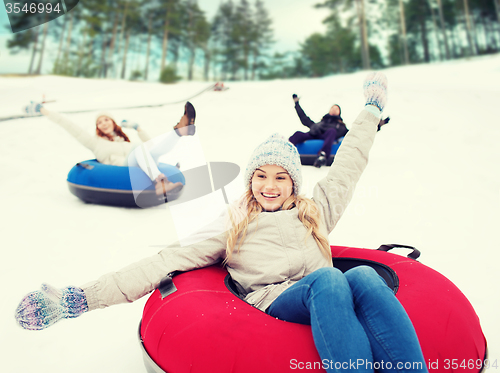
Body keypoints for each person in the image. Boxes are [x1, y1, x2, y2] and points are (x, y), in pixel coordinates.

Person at [15, 73, 427, 373]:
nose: (270, 185)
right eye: (262, 176)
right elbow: (166, 260)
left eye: (281, 177)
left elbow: (350, 162)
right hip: (273, 301)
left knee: (366, 280)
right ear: (251, 180)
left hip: (326, 296)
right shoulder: (234, 222)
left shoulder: (316, 208)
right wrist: (81, 297)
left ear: (293, 183)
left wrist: (372, 108)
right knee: (332, 280)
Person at [22, 101, 196, 197]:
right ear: (97, 127)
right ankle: (160, 182)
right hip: (121, 168)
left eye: (106, 119)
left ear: (113, 122)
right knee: (138, 149)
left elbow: (152, 148)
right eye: (99, 122)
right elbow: (69, 125)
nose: (103, 123)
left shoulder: (124, 140)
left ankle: (180, 131)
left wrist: (138, 128)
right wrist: (42, 110)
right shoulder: (94, 142)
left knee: (148, 149)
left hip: (139, 161)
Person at [289, 94, 390, 168]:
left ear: (339, 112)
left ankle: (323, 156)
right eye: (332, 108)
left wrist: (377, 125)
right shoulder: (319, 123)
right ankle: (286, 150)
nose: (333, 109)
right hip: (315, 134)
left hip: (329, 137)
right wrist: (297, 103)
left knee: (331, 131)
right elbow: (304, 118)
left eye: (336, 108)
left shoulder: (340, 126)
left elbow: (358, 133)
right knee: (298, 133)